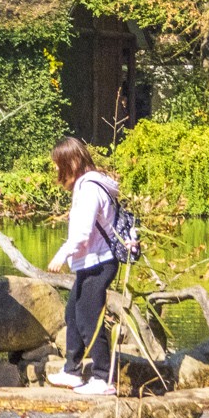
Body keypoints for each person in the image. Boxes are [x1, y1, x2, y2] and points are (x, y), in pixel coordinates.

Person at [47, 138, 121, 397]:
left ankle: (103, 378)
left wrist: (62, 253)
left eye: (59, 165)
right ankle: (72, 371)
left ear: (73, 162)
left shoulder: (89, 188)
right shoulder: (89, 185)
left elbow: (83, 232)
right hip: (92, 262)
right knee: (73, 314)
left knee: (90, 319)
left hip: (99, 263)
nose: (57, 172)